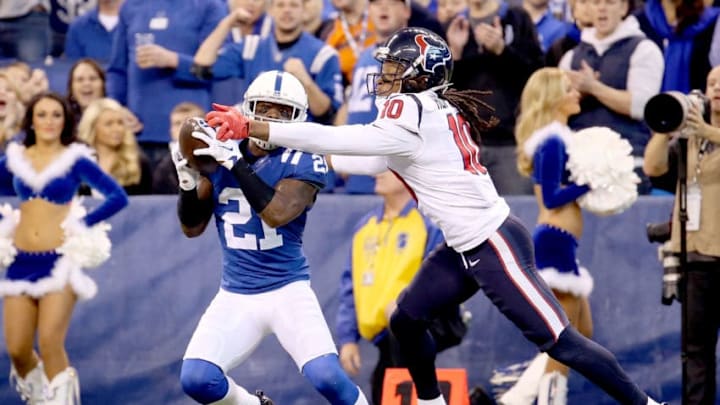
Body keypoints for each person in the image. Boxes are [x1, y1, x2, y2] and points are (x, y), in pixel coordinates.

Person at [203, 27, 666, 405]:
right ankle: (430, 403)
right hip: (462, 245)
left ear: (419, 76)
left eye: (392, 69)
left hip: (493, 242)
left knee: (559, 341)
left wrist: (259, 126)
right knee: (405, 321)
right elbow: (365, 159)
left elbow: (352, 143)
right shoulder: (423, 113)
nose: (382, 77)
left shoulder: (412, 109)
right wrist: (281, 149)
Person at [176, 70, 369, 405]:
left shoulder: (304, 159)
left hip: (286, 290)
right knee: (197, 379)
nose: (271, 118)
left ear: (299, 119)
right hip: (235, 293)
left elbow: (276, 213)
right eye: (265, 108)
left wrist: (234, 162)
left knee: (328, 380)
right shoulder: (222, 148)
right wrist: (189, 184)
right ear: (248, 108)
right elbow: (192, 228)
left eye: (283, 112)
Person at [0, 92, 128, 404]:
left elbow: (117, 196)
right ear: (31, 119)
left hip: (60, 261)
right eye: (41, 114)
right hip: (21, 262)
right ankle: (41, 397)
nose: (48, 121)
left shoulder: (75, 160)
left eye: (56, 115)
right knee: (17, 348)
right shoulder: (15, 159)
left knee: (49, 341)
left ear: (65, 120)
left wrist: (82, 224)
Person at [502, 67, 595, 405]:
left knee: (583, 333)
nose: (577, 94)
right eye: (569, 89)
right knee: (566, 341)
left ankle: (516, 396)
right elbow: (550, 198)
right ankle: (549, 399)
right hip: (554, 242)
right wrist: (591, 181)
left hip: (562, 243)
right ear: (554, 97)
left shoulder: (556, 137)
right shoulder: (552, 139)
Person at [336, 170, 453, 405]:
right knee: (382, 388)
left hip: (420, 333)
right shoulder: (365, 226)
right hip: (383, 341)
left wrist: (408, 305)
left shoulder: (429, 223)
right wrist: (348, 339)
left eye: (386, 169)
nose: (377, 173)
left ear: (407, 175)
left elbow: (444, 279)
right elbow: (351, 284)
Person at [642, 65, 720, 405]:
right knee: (695, 352)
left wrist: (707, 130)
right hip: (696, 255)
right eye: (712, 82)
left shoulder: (704, 132)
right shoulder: (690, 138)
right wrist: (665, 127)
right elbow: (653, 168)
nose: (717, 88)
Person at [558, 0, 664, 194]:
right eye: (596, 2)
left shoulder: (644, 49)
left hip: (628, 164)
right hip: (578, 166)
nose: (602, 8)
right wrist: (577, 95)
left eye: (610, 2)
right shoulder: (570, 56)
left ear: (624, 8)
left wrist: (594, 87)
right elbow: (555, 110)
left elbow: (642, 107)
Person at [186, 0, 343, 125]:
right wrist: (228, 22)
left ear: (303, 10)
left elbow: (327, 115)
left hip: (299, 144)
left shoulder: (323, 54)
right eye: (280, 4)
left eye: (294, 4)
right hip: (256, 140)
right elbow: (201, 66)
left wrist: (306, 82)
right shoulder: (252, 46)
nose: (287, 10)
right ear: (271, 10)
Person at [77, 98, 153, 195]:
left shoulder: (138, 163)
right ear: (93, 128)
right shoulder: (77, 162)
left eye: (120, 123)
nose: (117, 129)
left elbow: (148, 204)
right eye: (109, 124)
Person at [153, 102, 205, 194]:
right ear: (171, 131)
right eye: (177, 123)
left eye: (188, 122)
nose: (182, 128)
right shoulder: (162, 170)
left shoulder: (221, 163)